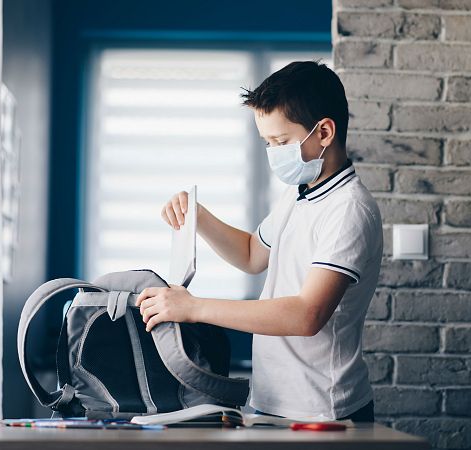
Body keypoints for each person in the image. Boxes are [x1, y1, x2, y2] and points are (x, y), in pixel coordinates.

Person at [135, 60, 383, 422]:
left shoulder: (349, 209)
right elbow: (252, 254)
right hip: (276, 400)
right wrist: (198, 217)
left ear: (325, 132)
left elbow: (306, 314)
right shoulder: (300, 194)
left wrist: (193, 307)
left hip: (323, 410)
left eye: (281, 141)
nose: (273, 152)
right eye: (267, 142)